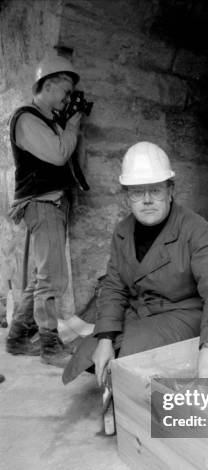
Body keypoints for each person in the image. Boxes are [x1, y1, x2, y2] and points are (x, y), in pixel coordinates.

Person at [62, 141, 208, 386]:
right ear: (127, 197)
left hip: (182, 314)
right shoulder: (123, 231)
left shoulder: (196, 230)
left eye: (155, 190)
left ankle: (135, 393)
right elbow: (114, 286)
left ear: (170, 190)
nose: (147, 200)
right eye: (137, 192)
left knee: (133, 353)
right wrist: (105, 338)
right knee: (90, 351)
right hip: (142, 312)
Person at [6, 53, 87, 367]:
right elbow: (56, 155)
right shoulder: (26, 118)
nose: (68, 99)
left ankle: (17, 338)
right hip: (41, 203)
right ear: (49, 85)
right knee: (52, 279)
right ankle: (50, 346)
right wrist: (73, 126)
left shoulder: (47, 120)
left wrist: (66, 123)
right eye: (65, 92)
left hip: (49, 202)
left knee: (40, 278)